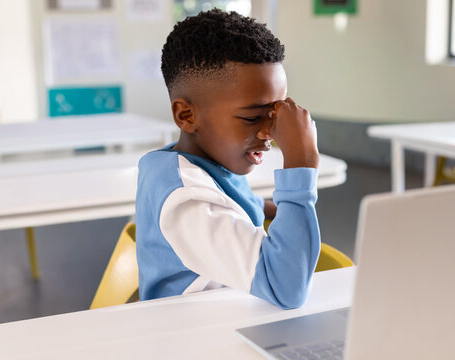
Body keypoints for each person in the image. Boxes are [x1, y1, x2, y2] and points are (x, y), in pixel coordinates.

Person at [135, 9, 320, 309]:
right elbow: (287, 289)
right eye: (251, 117)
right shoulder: (189, 204)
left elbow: (225, 196)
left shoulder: (191, 161)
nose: (270, 133)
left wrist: (264, 205)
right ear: (186, 116)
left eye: (275, 115)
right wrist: (301, 162)